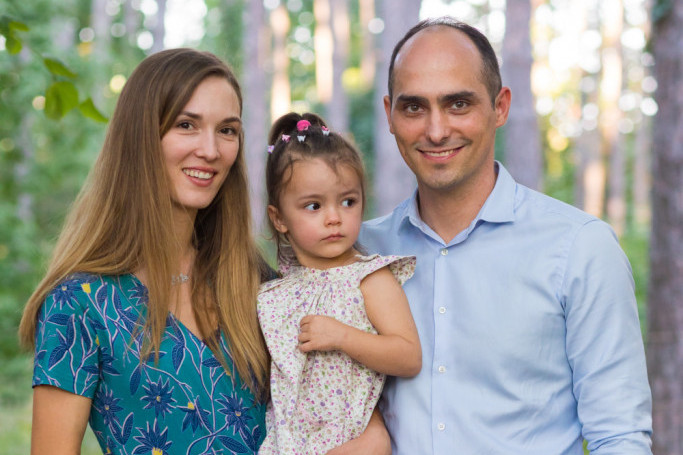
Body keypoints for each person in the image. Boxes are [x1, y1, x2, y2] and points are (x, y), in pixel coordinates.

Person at [18, 50, 387, 455]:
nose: (211, 150)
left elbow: (361, 426)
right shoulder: (78, 303)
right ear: (140, 136)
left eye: (227, 130)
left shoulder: (260, 285)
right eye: (186, 125)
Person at [358, 16, 653, 454]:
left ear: (500, 107)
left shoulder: (579, 248)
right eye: (414, 107)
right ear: (389, 115)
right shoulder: (361, 253)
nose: (436, 131)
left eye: (458, 104)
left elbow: (620, 437)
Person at [257, 112, 421, 454]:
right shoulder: (275, 293)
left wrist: (342, 336)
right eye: (314, 206)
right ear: (279, 218)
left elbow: (408, 356)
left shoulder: (369, 278)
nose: (334, 217)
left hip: (349, 441)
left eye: (348, 201)